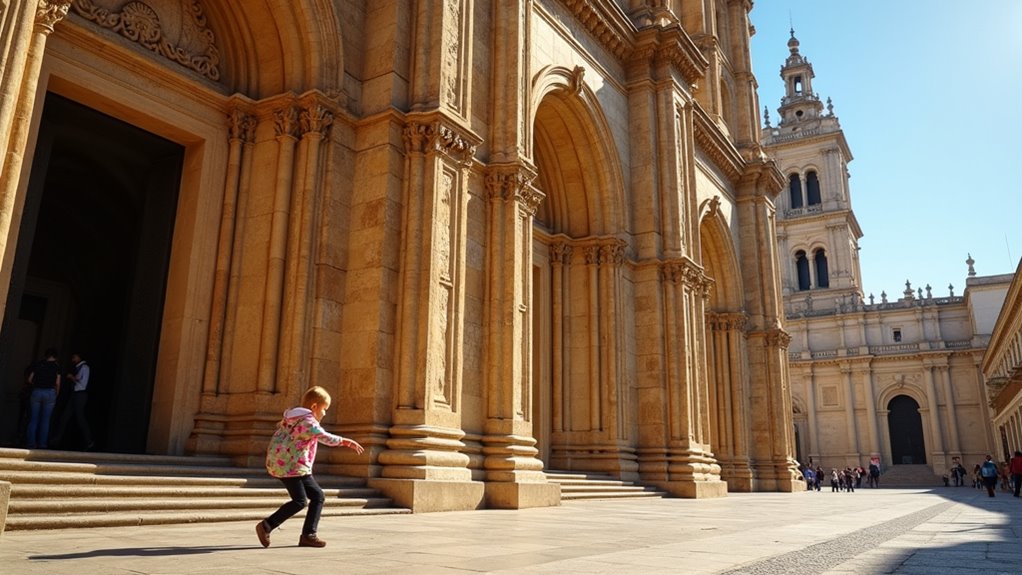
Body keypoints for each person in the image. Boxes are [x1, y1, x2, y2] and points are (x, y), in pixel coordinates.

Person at [255, 386, 364, 548]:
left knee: (317, 496)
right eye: (324, 409)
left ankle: (308, 535)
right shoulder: (307, 421)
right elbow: (324, 436)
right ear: (314, 406)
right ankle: (268, 525)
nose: (325, 413)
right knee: (300, 501)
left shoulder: (293, 417)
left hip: (286, 465)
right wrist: (345, 441)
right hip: (293, 466)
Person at [51, 353, 94, 450]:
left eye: (74, 357)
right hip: (75, 394)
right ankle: (57, 439)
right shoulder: (78, 367)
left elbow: (83, 384)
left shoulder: (84, 368)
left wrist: (72, 378)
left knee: (80, 417)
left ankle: (89, 440)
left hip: (80, 395)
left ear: (79, 357)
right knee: (65, 416)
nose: (73, 359)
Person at [25, 348, 61, 449]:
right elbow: (58, 383)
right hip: (50, 393)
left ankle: (31, 443)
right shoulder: (56, 366)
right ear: (55, 357)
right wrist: (56, 393)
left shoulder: (38, 364)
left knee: (33, 419)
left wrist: (36, 385)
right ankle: (42, 444)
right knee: (45, 420)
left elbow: (29, 379)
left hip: (37, 391)